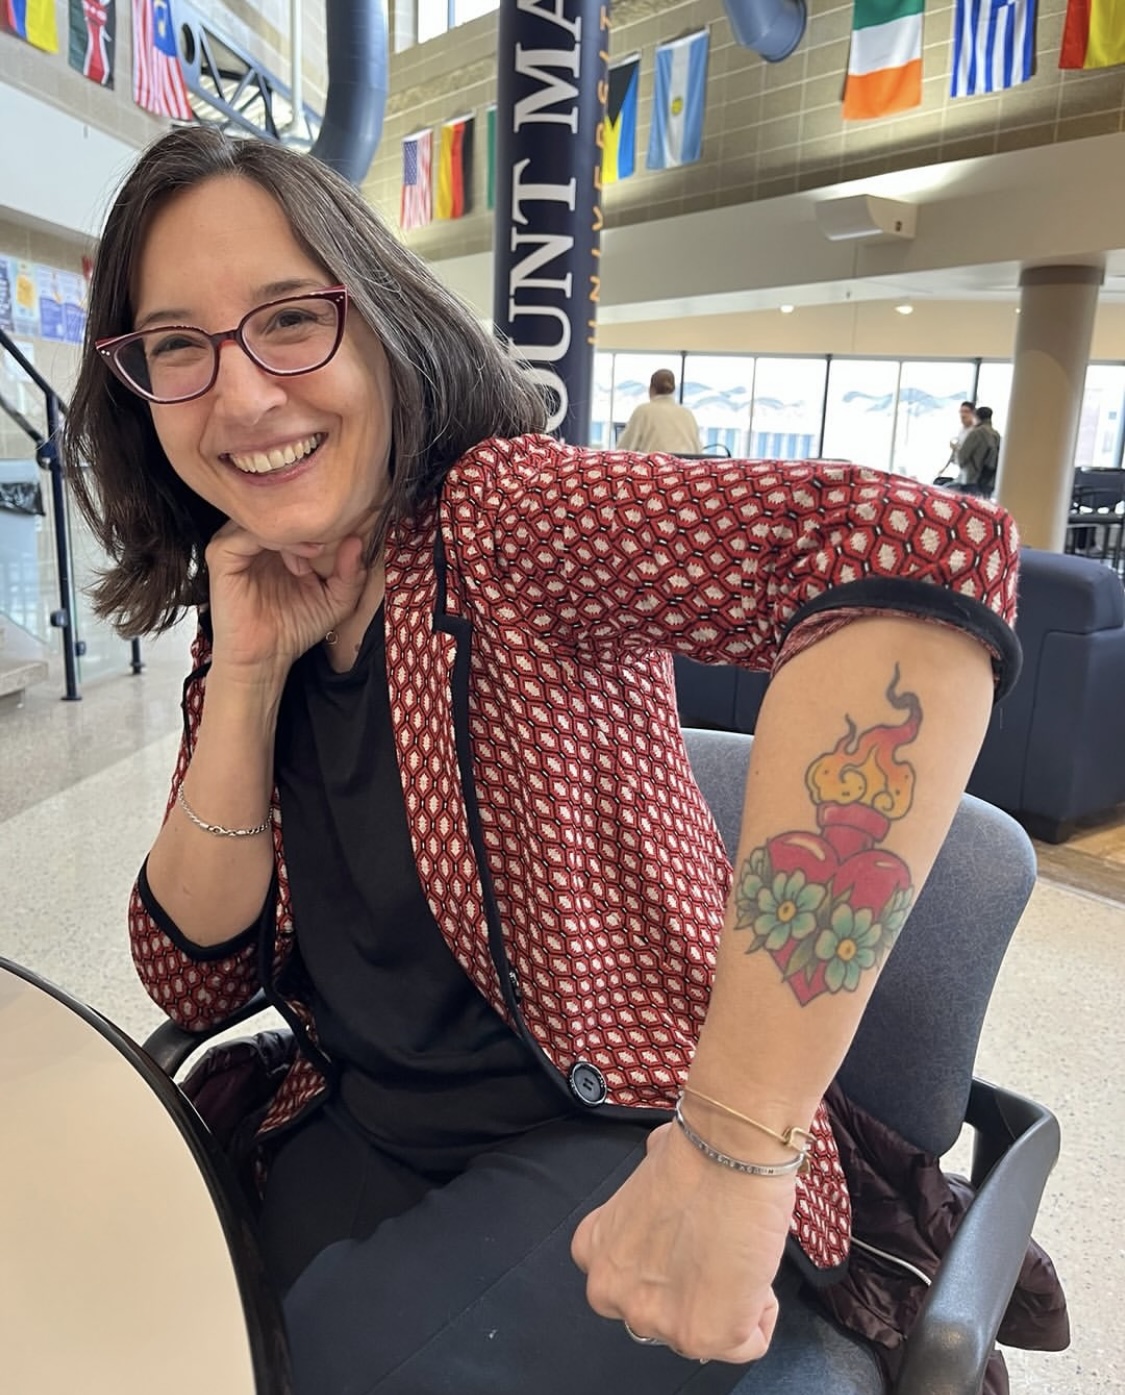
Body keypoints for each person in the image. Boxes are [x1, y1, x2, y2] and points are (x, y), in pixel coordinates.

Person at [65, 126, 1020, 1395]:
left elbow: (918, 547)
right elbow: (192, 975)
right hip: (362, 1128)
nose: (242, 396)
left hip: (617, 1137)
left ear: (383, 321)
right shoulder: (254, 591)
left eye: (291, 318)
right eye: (179, 345)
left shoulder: (504, 518)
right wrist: (242, 677)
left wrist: (736, 1149)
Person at [615, 368, 703, 453]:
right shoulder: (687, 414)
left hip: (654, 466)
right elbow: (698, 451)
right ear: (673, 390)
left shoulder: (643, 411)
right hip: (682, 467)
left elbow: (624, 449)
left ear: (651, 389)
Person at [957, 405, 1001, 498]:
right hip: (989, 481)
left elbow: (962, 456)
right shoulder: (996, 435)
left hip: (972, 479)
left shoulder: (976, 433)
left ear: (976, 417)